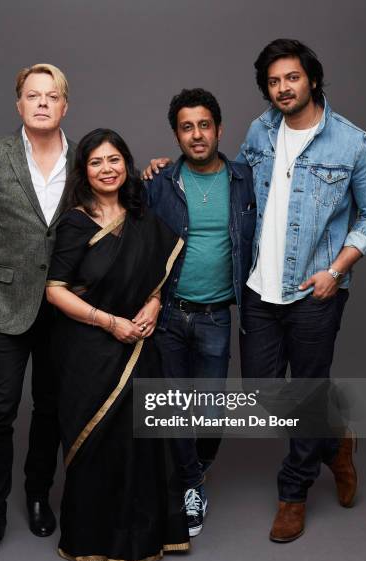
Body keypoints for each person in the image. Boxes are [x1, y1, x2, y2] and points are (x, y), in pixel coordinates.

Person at [236, 39, 366, 542]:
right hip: (259, 287)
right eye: (274, 81)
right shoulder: (260, 129)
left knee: (304, 390)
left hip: (315, 290)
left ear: (312, 79)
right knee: (265, 392)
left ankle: (293, 495)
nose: (283, 88)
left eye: (291, 78)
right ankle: (335, 441)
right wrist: (171, 173)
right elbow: (237, 184)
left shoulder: (353, 144)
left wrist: (337, 270)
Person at [45, 128, 189, 561]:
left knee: (141, 441)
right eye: (96, 162)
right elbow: (55, 289)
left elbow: (160, 269)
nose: (107, 169)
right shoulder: (74, 222)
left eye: (114, 160)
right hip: (89, 349)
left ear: (126, 163)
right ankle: (94, 540)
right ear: (83, 171)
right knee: (97, 443)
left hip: (139, 343)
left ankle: (145, 539)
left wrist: (154, 301)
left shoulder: (141, 216)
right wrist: (110, 323)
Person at [0, 63, 76, 561]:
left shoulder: (85, 158)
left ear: (64, 105)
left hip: (62, 307)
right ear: (19, 104)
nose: (43, 103)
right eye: (33, 95)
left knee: (50, 409)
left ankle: (36, 496)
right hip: (6, 303)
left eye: (52, 96)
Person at [144, 89, 256, 537]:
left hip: (215, 315)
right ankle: (190, 483)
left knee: (209, 409)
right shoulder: (159, 183)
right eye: (187, 127)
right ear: (177, 134)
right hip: (169, 313)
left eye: (204, 125)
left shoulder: (245, 180)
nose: (197, 134)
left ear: (218, 129)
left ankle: (193, 463)